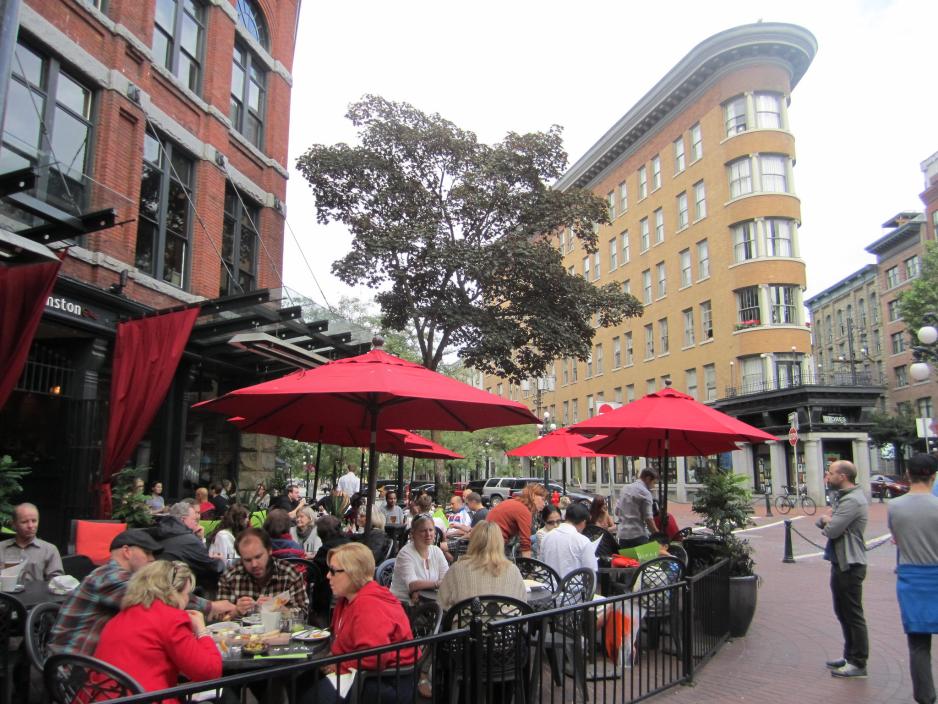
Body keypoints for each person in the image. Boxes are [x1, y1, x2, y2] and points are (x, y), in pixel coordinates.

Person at [48, 529, 235, 657]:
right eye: (147, 553)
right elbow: (158, 598)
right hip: (75, 670)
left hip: (91, 664)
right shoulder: (110, 576)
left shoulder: (111, 575)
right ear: (127, 551)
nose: (152, 560)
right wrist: (210, 606)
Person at [301, 543, 417, 704]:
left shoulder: (369, 605)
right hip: (363, 671)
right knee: (300, 681)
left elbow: (375, 656)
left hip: (385, 681)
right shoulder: (346, 599)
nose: (327, 576)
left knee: (310, 697)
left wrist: (338, 664)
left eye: (333, 571)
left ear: (353, 573)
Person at [91, 560, 221, 702]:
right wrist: (201, 630)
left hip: (102, 697)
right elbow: (209, 672)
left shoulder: (119, 618)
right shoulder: (171, 618)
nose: (187, 600)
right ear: (173, 593)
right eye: (187, 594)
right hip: (148, 698)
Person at [888, 453, 938, 703]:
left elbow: (896, 538)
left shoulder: (895, 507)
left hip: (912, 578)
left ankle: (926, 697)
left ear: (908, 474)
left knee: (918, 645)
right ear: (933, 476)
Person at [816, 459, 869, 679]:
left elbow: (832, 530)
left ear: (843, 476)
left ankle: (858, 662)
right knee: (842, 611)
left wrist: (827, 519)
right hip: (840, 561)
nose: (827, 476)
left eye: (831, 473)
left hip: (850, 563)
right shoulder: (844, 498)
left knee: (853, 613)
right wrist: (826, 519)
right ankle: (849, 656)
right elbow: (826, 523)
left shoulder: (852, 501)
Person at [216, 528, 309, 620]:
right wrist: (236, 611)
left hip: (280, 629)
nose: (254, 564)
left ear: (269, 550)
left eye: (258, 557)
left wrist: (280, 609)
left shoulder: (289, 573)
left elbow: (304, 614)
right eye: (247, 560)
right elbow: (220, 619)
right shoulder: (230, 577)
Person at [438, 521, 526, 610]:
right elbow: (524, 606)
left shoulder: (457, 569)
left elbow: (441, 605)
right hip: (508, 619)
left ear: (472, 541)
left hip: (466, 618)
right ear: (500, 542)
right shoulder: (513, 571)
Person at [153, 501, 226, 590]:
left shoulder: (158, 532)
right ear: (183, 520)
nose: (197, 522)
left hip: (160, 584)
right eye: (194, 520)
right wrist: (220, 561)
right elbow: (213, 567)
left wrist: (200, 538)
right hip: (182, 588)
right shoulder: (189, 540)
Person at [390, 514, 449, 602]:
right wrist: (437, 584)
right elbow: (412, 585)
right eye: (423, 531)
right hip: (402, 603)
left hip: (429, 601)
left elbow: (447, 577)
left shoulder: (437, 551)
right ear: (413, 533)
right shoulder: (405, 553)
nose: (428, 534)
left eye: (431, 530)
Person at [0, 503, 63, 583]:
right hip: (6, 590)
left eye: (34, 521)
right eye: (24, 522)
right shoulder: (1, 548)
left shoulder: (49, 550)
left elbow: (57, 582)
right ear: (14, 524)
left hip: (37, 591)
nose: (30, 526)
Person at [486, 482, 547, 558]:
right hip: (494, 547)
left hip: (488, 541)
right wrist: (527, 563)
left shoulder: (515, 503)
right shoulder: (524, 510)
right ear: (533, 496)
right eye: (542, 499)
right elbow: (525, 544)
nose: (544, 504)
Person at [540, 502, 599, 579]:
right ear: (583, 522)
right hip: (573, 586)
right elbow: (591, 572)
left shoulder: (546, 537)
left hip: (549, 585)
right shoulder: (583, 541)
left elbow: (542, 565)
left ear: (565, 517)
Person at [310, 515, 351, 617]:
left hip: (328, 596)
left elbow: (313, 574)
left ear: (321, 533)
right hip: (349, 589)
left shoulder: (326, 549)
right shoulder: (348, 542)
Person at [616, 469, 659, 549]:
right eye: (654, 483)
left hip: (622, 536)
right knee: (650, 555)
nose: (654, 486)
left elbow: (617, 511)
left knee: (627, 557)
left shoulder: (624, 489)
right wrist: (658, 536)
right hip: (638, 535)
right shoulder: (645, 493)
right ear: (648, 479)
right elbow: (648, 519)